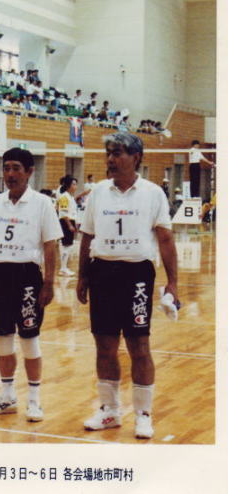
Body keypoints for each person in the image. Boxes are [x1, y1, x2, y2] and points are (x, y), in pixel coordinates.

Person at [77, 132, 180, 439]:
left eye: (117, 153)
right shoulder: (98, 192)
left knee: (139, 346)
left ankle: (143, 414)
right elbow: (87, 236)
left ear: (136, 158)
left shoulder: (153, 193)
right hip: (102, 273)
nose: (110, 159)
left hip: (137, 276)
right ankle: (110, 411)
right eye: (108, 153)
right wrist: (83, 276)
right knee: (105, 346)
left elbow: (165, 239)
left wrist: (173, 283)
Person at [0, 148, 61, 421]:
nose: (10, 174)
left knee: (29, 340)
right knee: (2, 339)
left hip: (27, 277)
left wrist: (49, 283)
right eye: (7, 168)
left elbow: (50, 245)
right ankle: (7, 396)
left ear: (29, 172)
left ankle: (34, 400)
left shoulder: (42, 203)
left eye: (16, 168)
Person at [57, 175, 78, 276]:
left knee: (68, 246)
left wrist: (75, 224)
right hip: (65, 222)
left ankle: (64, 267)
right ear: (68, 185)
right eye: (73, 184)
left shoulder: (71, 197)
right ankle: (63, 268)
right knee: (66, 246)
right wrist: (69, 225)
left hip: (71, 221)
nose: (75, 186)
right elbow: (63, 213)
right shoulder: (64, 197)